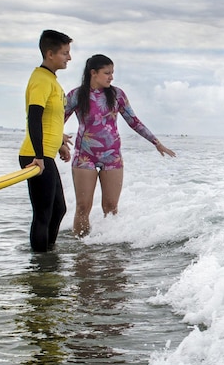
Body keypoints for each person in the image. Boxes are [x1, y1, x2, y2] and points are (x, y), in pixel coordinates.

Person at [64, 54, 175, 236]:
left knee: (111, 207)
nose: (111, 77)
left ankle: (110, 251)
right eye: (107, 73)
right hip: (84, 156)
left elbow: (134, 121)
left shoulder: (117, 95)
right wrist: (59, 139)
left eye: (112, 73)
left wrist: (156, 142)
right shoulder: (76, 95)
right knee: (83, 207)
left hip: (112, 157)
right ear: (93, 73)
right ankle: (81, 253)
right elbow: (57, 119)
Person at [18, 30, 74, 252]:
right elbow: (34, 117)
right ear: (50, 54)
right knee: (43, 213)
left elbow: (51, 118)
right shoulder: (41, 80)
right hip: (35, 155)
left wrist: (59, 141)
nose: (69, 58)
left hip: (45, 153)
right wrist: (39, 157)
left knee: (58, 209)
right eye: (65, 53)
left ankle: (47, 254)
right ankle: (40, 264)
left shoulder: (51, 80)